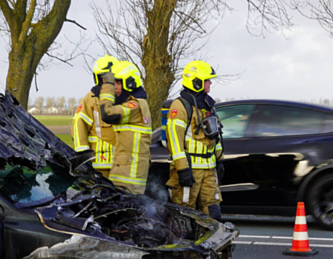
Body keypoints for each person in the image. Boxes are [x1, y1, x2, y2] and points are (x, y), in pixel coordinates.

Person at [165, 60, 223, 220]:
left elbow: (215, 136)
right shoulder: (181, 106)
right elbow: (174, 141)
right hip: (189, 171)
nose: (210, 82)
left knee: (213, 214)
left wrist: (219, 160)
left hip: (209, 172)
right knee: (185, 215)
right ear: (196, 82)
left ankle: (213, 245)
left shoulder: (208, 105)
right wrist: (182, 170)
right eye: (207, 80)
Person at [98, 60, 152, 194]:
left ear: (129, 83)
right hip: (127, 173)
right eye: (114, 83)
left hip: (129, 177)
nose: (115, 87)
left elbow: (107, 114)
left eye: (117, 83)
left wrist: (107, 87)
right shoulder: (135, 103)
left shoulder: (135, 106)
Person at [71, 55, 117, 179]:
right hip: (99, 162)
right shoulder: (90, 100)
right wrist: (83, 153)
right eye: (104, 78)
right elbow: (79, 124)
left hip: (122, 163)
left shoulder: (125, 99)